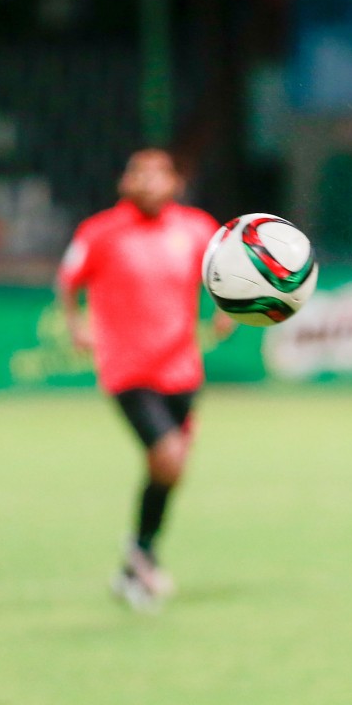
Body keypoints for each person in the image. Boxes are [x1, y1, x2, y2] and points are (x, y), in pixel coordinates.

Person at [56, 149, 228, 610]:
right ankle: (141, 556)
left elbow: (224, 274)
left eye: (160, 174)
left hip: (182, 369)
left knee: (170, 468)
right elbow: (68, 278)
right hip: (127, 369)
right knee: (168, 458)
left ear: (176, 182)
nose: (150, 182)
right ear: (125, 183)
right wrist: (75, 323)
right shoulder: (100, 232)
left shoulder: (196, 227)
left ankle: (139, 556)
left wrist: (225, 308)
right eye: (141, 173)